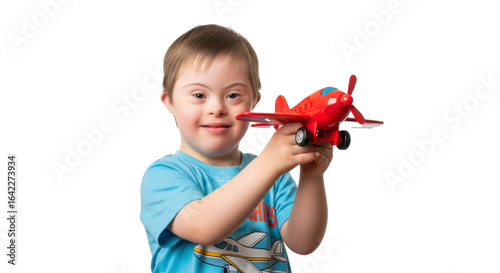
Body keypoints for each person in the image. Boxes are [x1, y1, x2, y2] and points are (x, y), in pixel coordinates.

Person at [140, 24, 332, 273]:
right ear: (170, 103)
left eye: (233, 95)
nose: (217, 107)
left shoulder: (275, 177)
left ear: (254, 104)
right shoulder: (163, 175)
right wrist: (270, 163)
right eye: (199, 95)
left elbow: (304, 242)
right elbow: (204, 226)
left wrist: (312, 177)